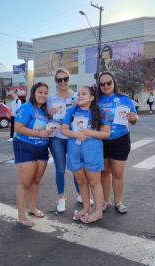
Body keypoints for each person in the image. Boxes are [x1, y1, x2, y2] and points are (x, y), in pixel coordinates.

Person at [61, 86, 110, 224]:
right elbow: (63, 129)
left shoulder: (99, 112)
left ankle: (98, 212)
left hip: (92, 151)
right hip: (74, 151)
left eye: (84, 94)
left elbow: (106, 133)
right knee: (81, 182)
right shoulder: (71, 111)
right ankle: (86, 208)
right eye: (79, 94)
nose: (80, 96)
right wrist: (75, 134)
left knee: (94, 182)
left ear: (92, 98)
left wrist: (90, 133)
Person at [13, 82, 55, 227]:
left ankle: (32, 207)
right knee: (25, 183)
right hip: (25, 147)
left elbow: (46, 129)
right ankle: (21, 215)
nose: (43, 95)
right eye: (40, 92)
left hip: (42, 149)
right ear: (33, 93)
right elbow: (18, 128)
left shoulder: (44, 111)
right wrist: (40, 133)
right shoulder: (27, 107)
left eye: (45, 92)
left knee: (36, 181)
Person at [98, 71, 139, 214]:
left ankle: (118, 202)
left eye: (108, 82)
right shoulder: (95, 100)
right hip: (101, 140)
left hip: (120, 139)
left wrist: (133, 118)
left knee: (118, 173)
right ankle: (105, 201)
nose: (106, 86)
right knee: (104, 172)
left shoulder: (125, 99)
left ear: (114, 83)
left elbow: (134, 120)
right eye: (102, 84)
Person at [47, 68, 83, 213]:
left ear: (69, 79)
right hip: (57, 137)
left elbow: (84, 114)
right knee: (60, 169)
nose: (63, 82)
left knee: (76, 168)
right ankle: (61, 198)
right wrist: (50, 113)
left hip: (73, 137)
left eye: (65, 79)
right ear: (56, 81)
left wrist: (77, 107)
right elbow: (47, 118)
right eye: (59, 79)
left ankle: (81, 194)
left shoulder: (76, 96)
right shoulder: (51, 98)